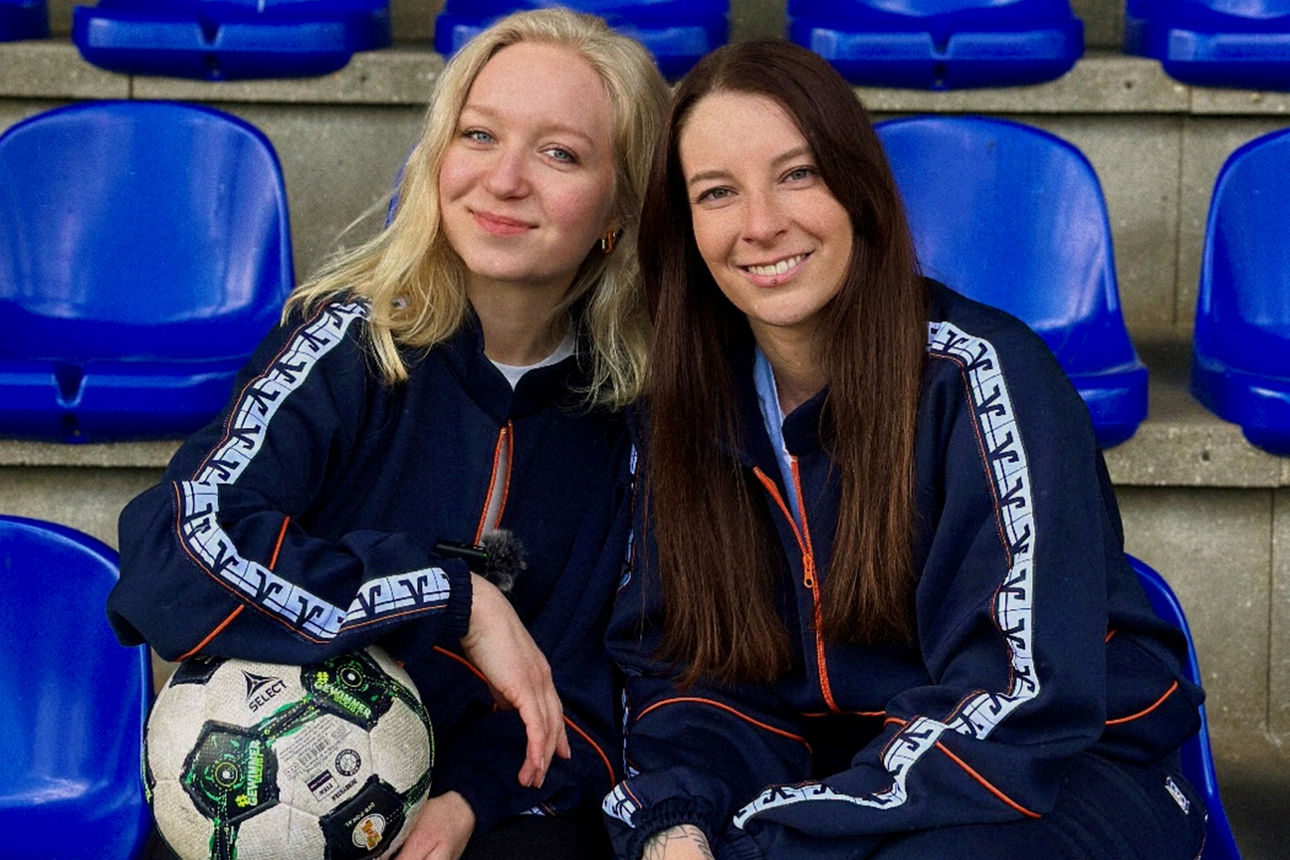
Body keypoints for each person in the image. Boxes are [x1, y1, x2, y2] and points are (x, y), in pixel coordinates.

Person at [603, 39, 1207, 860]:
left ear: (857, 186)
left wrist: (772, 839)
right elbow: (686, 676)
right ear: (685, 227)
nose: (760, 224)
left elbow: (1018, 697)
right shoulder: (684, 412)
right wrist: (677, 821)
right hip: (836, 785)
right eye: (717, 192)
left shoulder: (982, 375)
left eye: (797, 174)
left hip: (1070, 769)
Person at [106, 8, 669, 859]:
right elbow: (174, 547)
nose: (504, 179)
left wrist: (469, 800)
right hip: (269, 801)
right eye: (479, 135)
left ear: (618, 210)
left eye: (560, 153)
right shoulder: (346, 344)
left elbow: (604, 695)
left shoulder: (634, 417)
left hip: (489, 817)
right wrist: (450, 599)